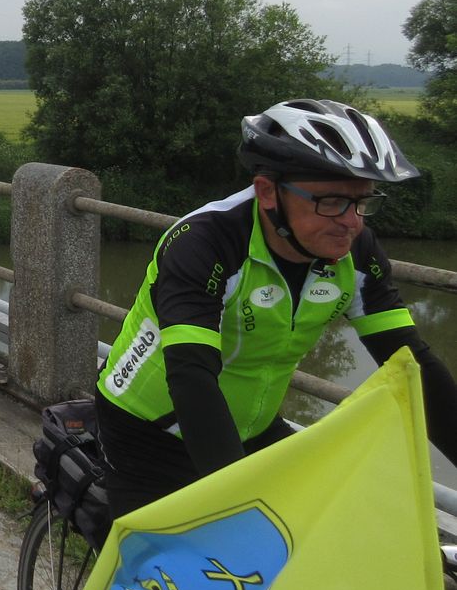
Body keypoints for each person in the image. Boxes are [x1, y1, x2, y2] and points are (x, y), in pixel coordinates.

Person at [94, 98, 457, 522]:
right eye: (332, 202)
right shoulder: (204, 242)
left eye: (362, 202)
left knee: (328, 529)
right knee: (166, 560)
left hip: (250, 426)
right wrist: (236, 498)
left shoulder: (354, 251)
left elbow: (413, 363)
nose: (352, 222)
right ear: (268, 191)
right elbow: (191, 374)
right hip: (145, 429)